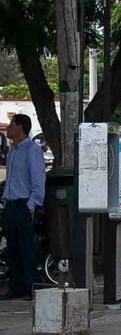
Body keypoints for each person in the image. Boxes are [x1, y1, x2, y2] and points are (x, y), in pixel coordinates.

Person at [1, 114, 45, 301]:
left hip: (23, 204)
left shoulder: (31, 150)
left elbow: (38, 179)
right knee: (13, 247)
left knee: (26, 247)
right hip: (10, 204)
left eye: (11, 124)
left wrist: (31, 204)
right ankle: (16, 285)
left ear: (19, 127)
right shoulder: (12, 151)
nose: (9, 128)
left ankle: (30, 286)